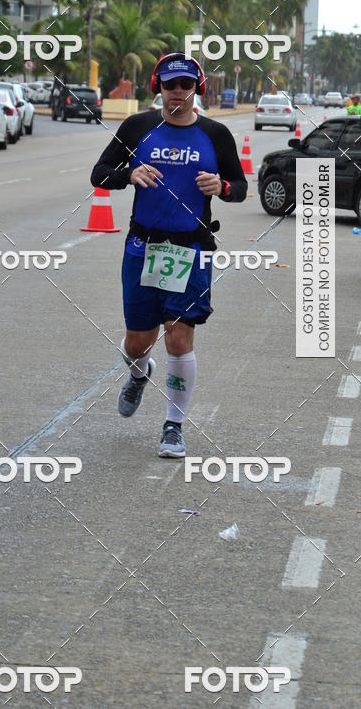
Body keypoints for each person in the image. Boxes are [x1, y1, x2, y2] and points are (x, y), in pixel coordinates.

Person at [90, 52, 248, 458]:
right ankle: (140, 374)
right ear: (157, 87)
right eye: (169, 85)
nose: (178, 92)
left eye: (186, 85)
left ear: (198, 88)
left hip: (191, 249)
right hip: (143, 246)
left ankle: (173, 426)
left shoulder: (215, 134)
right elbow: (100, 173)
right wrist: (129, 175)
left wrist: (222, 187)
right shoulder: (139, 126)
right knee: (137, 342)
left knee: (179, 338)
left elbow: (241, 185)